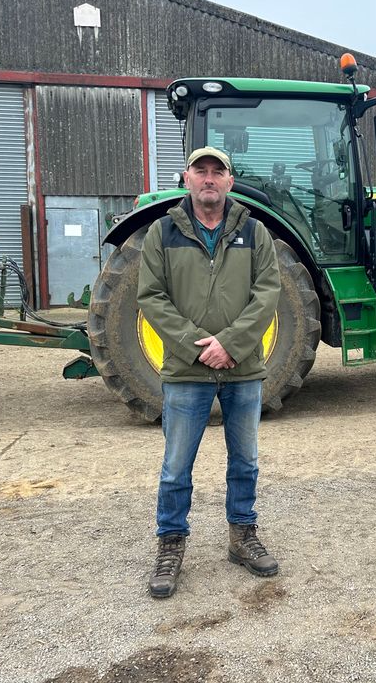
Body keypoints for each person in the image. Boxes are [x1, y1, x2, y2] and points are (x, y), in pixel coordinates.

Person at [137, 146, 281, 599]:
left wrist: (231, 345)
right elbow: (151, 297)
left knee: (246, 462)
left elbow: (268, 293)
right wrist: (199, 346)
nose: (209, 179)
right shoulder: (162, 234)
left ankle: (242, 537)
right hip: (186, 369)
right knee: (176, 467)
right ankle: (171, 544)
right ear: (186, 179)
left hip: (242, 368)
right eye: (200, 171)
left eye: (217, 172)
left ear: (230, 182)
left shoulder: (256, 233)